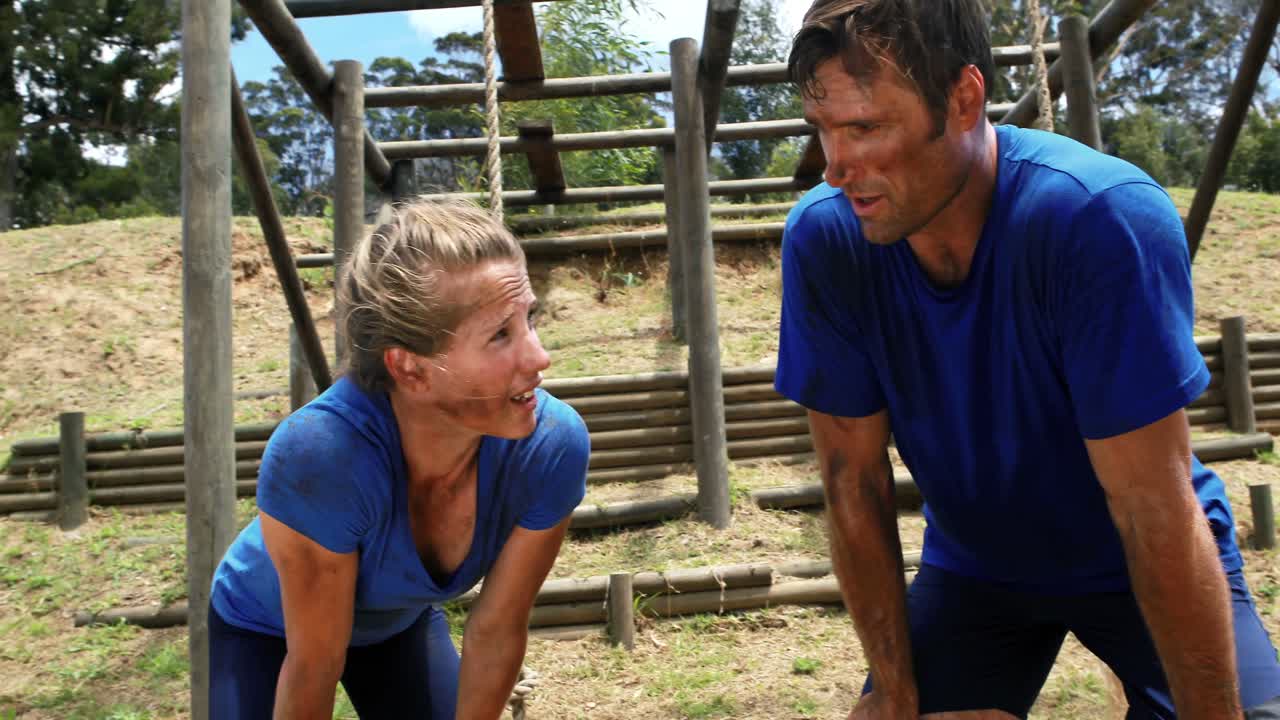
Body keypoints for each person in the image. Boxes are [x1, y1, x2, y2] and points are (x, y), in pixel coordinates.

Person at [775, 1, 1280, 717]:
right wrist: (893, 691)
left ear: (963, 98)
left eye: (864, 128)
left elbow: (1151, 506)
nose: (834, 168)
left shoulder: (1098, 219)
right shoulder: (827, 242)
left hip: (1135, 548)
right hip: (976, 565)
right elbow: (851, 482)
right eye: (822, 129)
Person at [207, 199, 589, 719]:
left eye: (530, 319)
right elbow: (315, 666)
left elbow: (498, 628)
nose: (540, 357)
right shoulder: (321, 457)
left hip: (395, 623)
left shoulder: (550, 445)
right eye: (500, 334)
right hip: (263, 626)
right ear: (410, 368)